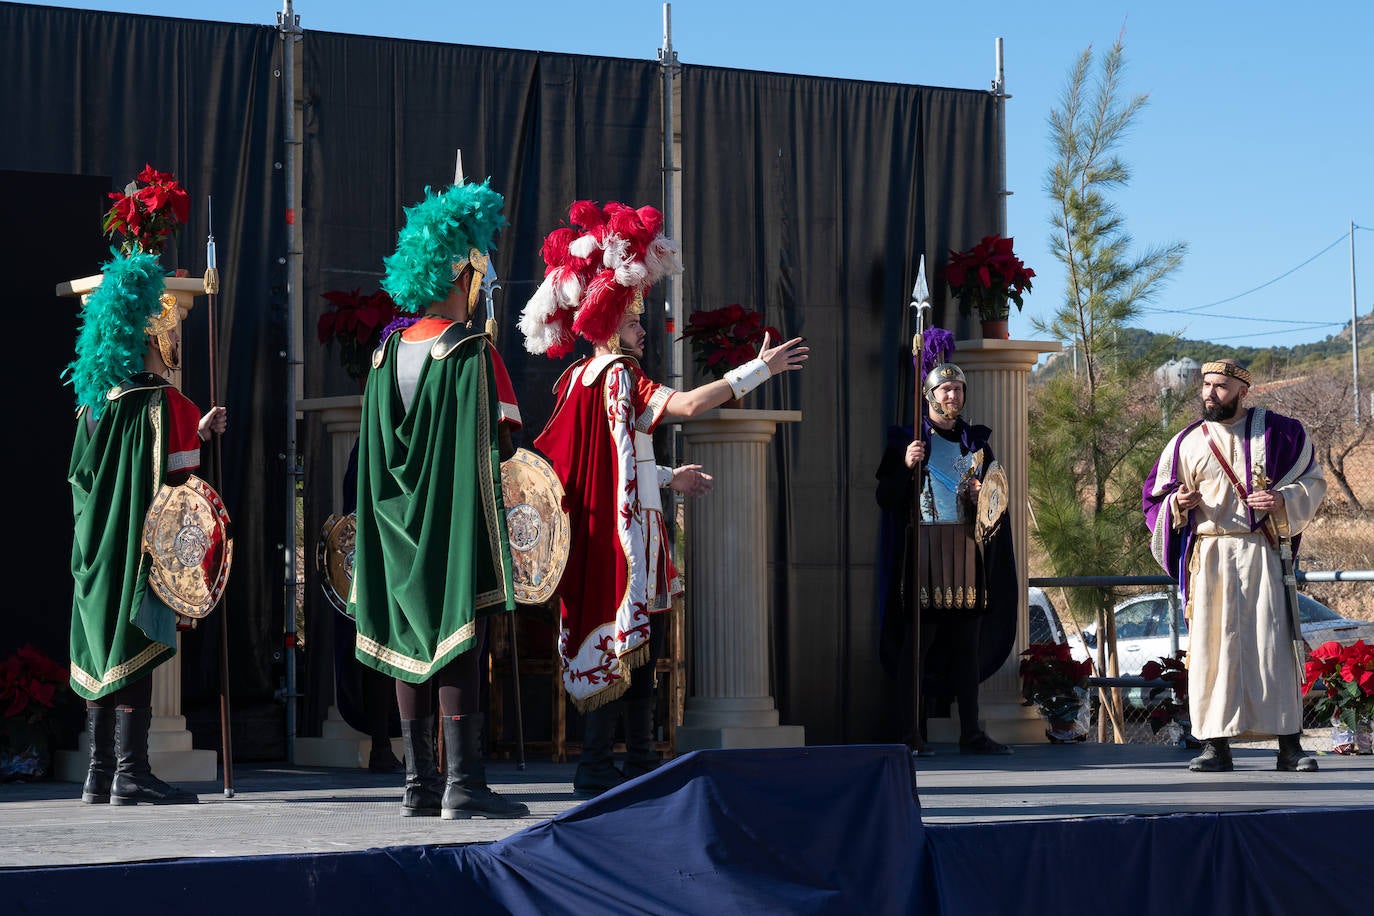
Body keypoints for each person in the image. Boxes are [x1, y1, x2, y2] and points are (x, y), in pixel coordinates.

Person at [519, 200, 807, 796]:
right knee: (632, 633)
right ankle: (618, 762)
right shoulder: (619, 374)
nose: (641, 329)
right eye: (631, 321)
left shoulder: (576, 379)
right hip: (626, 535)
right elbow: (687, 408)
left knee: (632, 636)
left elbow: (609, 461)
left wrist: (667, 475)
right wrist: (758, 371)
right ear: (606, 323)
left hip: (606, 529)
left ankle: (620, 760)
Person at [347, 180, 528, 818]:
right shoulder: (473, 353)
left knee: (407, 638)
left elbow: (373, 452)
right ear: (464, 273)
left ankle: (418, 786)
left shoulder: (381, 353)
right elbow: (505, 446)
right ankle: (465, 784)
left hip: (392, 525)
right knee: (458, 637)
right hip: (449, 524)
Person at [68, 250, 227, 805]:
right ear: (154, 338)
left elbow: (79, 477)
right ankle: (130, 773)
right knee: (132, 645)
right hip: (137, 549)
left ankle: (97, 773)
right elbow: (183, 482)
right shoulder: (166, 402)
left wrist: (195, 431)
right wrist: (201, 434)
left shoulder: (91, 404)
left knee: (98, 650)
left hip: (93, 550)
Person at [1143, 358, 1326, 773]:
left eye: (1221, 386)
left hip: (1259, 550)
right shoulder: (1185, 442)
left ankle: (1289, 745)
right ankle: (1215, 745)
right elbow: (1155, 498)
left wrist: (1282, 500)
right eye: (1206, 385)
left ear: (1244, 390)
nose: (1210, 393)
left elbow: (1312, 481)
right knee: (1213, 648)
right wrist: (1178, 506)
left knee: (1272, 644)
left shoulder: (1280, 433)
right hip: (1209, 556)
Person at [874, 328, 1016, 756]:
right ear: (929, 394)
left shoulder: (977, 444)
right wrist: (904, 466)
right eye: (946, 389)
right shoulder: (908, 440)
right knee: (915, 649)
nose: (953, 396)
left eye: (958, 389)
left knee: (965, 649)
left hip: (966, 552)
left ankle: (971, 732)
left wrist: (981, 497)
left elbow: (996, 504)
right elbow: (885, 499)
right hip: (923, 553)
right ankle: (909, 734)